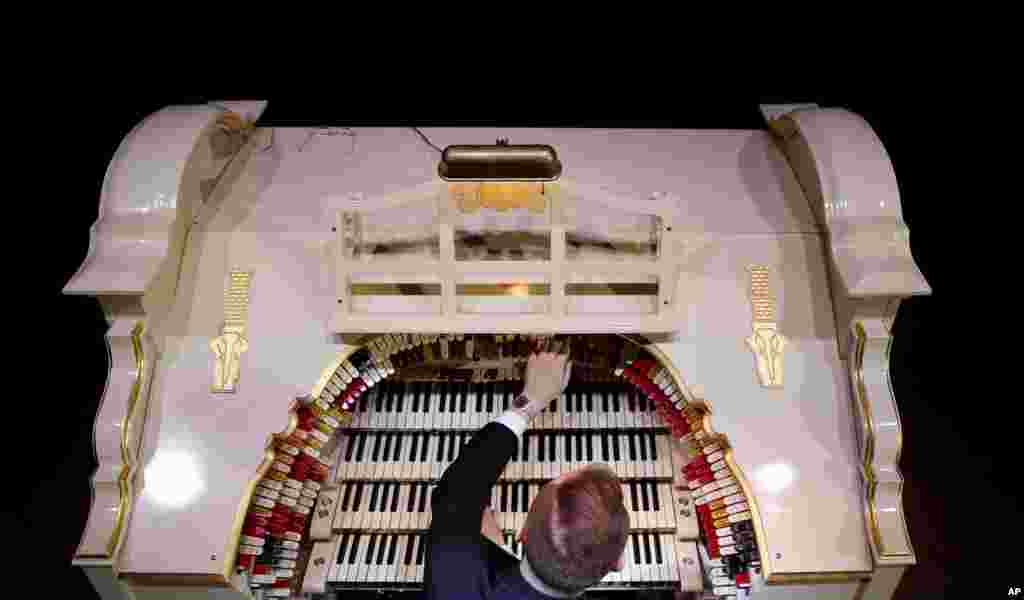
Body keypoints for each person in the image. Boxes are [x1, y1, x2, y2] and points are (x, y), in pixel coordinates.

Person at [425, 351, 630, 599]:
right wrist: (496, 550)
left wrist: (529, 402)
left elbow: (452, 494)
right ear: (619, 562)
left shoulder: (453, 572)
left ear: (522, 533)